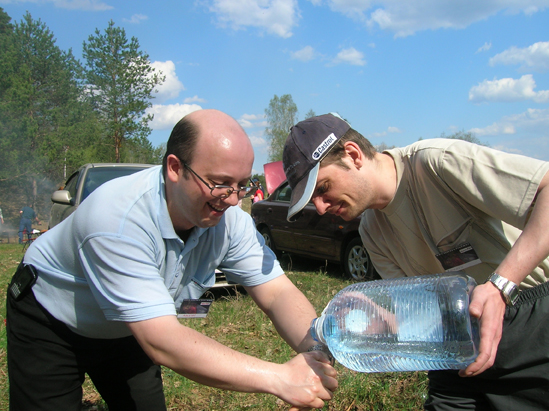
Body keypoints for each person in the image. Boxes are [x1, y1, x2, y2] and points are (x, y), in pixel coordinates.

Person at [7, 109, 337, 411]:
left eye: (242, 185)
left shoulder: (230, 220)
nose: (233, 201)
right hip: (53, 320)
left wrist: (316, 351)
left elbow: (277, 292)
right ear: (175, 168)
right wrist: (279, 378)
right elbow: (162, 340)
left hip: (130, 328)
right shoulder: (117, 219)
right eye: (221, 184)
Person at [282, 113, 549, 410]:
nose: (320, 208)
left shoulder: (437, 163)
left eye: (322, 188)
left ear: (353, 155)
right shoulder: (371, 232)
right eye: (312, 200)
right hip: (456, 347)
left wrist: (501, 285)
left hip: (532, 323)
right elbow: (424, 315)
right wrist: (384, 324)